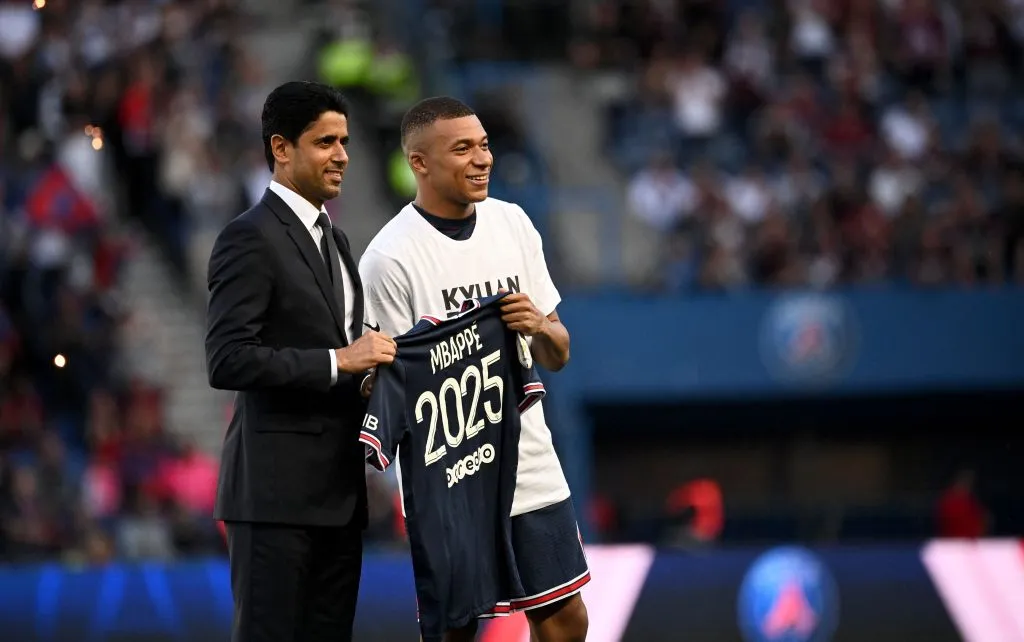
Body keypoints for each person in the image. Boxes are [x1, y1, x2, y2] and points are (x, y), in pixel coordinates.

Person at [359, 96, 589, 642]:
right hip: (449, 476)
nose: (482, 158)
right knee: (456, 632)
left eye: (484, 145)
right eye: (462, 148)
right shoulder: (389, 258)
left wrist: (539, 324)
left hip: (528, 458)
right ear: (419, 162)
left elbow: (558, 353)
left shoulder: (512, 223)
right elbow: (384, 382)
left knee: (566, 619)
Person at [205, 80, 397, 642]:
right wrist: (340, 361)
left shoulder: (336, 240)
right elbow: (227, 359)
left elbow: (341, 358)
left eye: (345, 141)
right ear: (281, 148)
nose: (342, 155)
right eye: (324, 142)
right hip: (274, 499)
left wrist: (364, 381)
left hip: (340, 496)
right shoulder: (247, 237)